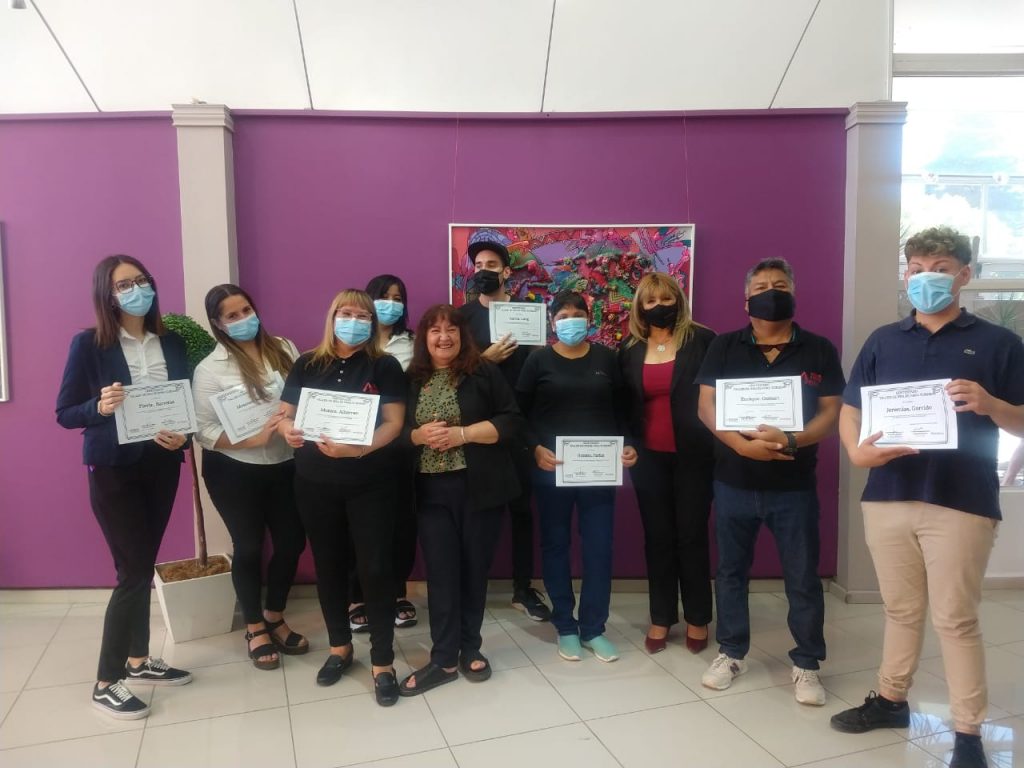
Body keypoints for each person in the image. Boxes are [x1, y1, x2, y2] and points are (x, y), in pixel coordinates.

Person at [832, 226, 1024, 768]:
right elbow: (851, 409)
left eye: (939, 268)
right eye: (916, 268)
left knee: (956, 619)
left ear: (964, 274)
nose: (925, 278)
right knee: (900, 609)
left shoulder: (1000, 344)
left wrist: (990, 405)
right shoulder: (882, 340)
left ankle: (968, 732)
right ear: (906, 274)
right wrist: (856, 452)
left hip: (961, 500)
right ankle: (891, 699)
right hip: (888, 495)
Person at [696, 258, 845, 706]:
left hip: (794, 485)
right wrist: (741, 447)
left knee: (802, 577)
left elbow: (832, 413)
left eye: (780, 285)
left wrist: (793, 440)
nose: (771, 292)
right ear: (746, 300)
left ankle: (807, 663)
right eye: (761, 287)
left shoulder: (819, 349)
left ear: (793, 293)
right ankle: (731, 652)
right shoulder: (724, 346)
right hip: (733, 481)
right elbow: (706, 407)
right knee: (730, 573)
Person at [56, 255, 193, 720]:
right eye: (124, 285)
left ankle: (138, 660)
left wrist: (184, 437)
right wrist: (98, 406)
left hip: (162, 464)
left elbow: (183, 403)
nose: (137, 290)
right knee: (133, 571)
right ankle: (106, 680)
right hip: (114, 468)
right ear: (107, 295)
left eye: (141, 280)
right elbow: (65, 413)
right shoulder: (89, 344)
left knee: (141, 565)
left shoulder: (171, 342)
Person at [277, 289, 407, 707]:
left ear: (372, 322)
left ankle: (383, 661)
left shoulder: (384, 365)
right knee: (329, 566)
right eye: (346, 313)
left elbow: (394, 423)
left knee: (376, 568)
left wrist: (359, 450)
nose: (354, 321)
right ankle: (340, 648)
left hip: (372, 483)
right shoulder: (307, 363)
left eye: (363, 315)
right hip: (315, 483)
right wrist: (287, 430)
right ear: (332, 317)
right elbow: (285, 414)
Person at [398, 305, 524, 695]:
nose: (444, 337)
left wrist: (463, 434)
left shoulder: (483, 371)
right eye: (435, 330)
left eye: (451, 329)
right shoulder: (409, 379)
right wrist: (417, 436)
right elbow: (392, 431)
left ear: (462, 335)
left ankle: (470, 648)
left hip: (480, 488)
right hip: (430, 492)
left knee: (473, 572)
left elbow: (511, 421)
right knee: (441, 574)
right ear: (424, 337)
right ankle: (443, 658)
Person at [517, 291, 637, 662]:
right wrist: (535, 449)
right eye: (563, 315)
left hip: (598, 471)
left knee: (599, 548)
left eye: (578, 313)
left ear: (590, 317)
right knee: (555, 546)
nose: (571, 320)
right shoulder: (538, 360)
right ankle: (565, 626)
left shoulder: (607, 358)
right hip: (552, 469)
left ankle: (593, 627)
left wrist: (629, 446)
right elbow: (518, 414)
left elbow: (623, 410)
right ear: (552, 322)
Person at [192, 284, 307, 671]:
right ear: (218, 324)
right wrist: (253, 439)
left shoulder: (284, 348)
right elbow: (204, 431)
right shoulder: (210, 370)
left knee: (292, 541)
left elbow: (303, 395)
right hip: (234, 470)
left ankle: (274, 614)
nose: (244, 319)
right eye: (232, 315)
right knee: (249, 547)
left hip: (286, 463)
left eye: (246, 310)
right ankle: (255, 627)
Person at [618, 272, 716, 655]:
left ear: (678, 300)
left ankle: (697, 617)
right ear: (640, 307)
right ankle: (661, 616)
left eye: (666, 299)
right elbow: (623, 405)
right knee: (657, 538)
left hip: (695, 456)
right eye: (651, 301)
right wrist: (626, 445)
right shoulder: (629, 348)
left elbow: (718, 396)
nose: (660, 306)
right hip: (648, 459)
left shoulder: (703, 340)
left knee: (691, 536)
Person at [457, 239, 551, 621]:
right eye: (478, 265)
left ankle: (522, 589)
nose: (484, 271)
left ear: (506, 272)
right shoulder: (460, 318)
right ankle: (468, 588)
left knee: (522, 511)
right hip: (474, 429)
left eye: (492, 265)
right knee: (473, 512)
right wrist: (485, 359)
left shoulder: (527, 313)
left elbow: (538, 370)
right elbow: (448, 374)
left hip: (519, 427)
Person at [348, 274, 418, 633]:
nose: (390, 303)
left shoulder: (414, 343)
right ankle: (357, 597)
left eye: (398, 297)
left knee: (400, 524)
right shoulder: (350, 342)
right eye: (383, 296)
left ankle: (397, 593)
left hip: (401, 445)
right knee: (359, 525)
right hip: (355, 444)